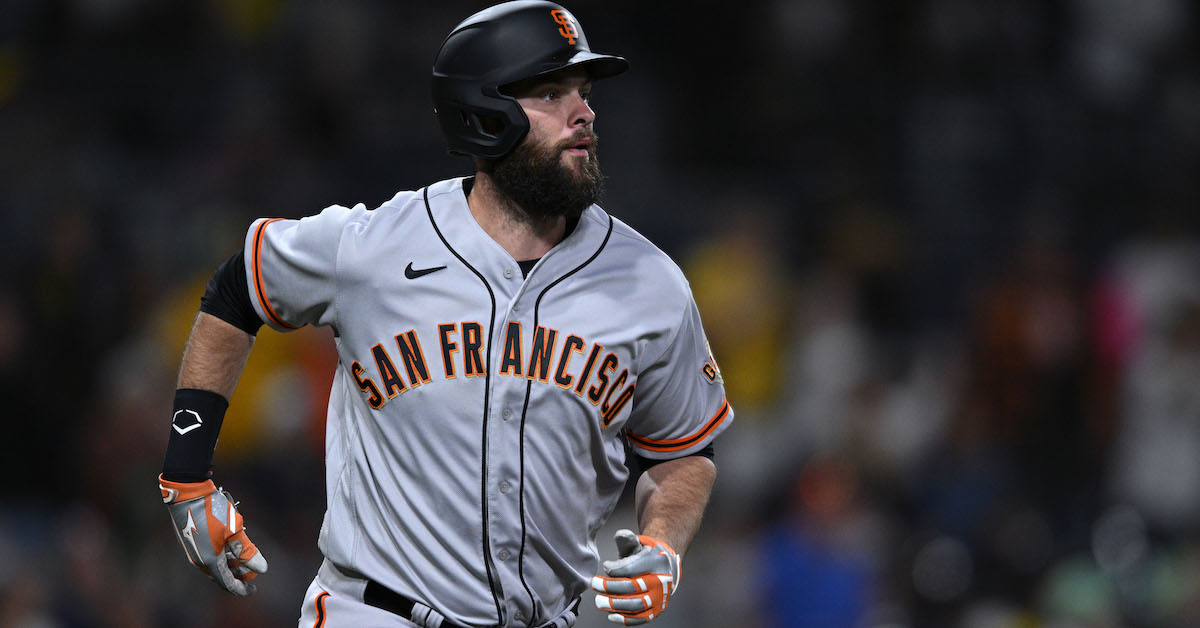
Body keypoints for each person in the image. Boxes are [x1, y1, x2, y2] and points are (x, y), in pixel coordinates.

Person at [156, 2, 733, 627]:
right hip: (376, 612)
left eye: (584, 92)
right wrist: (187, 477)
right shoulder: (376, 246)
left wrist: (663, 546)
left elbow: (681, 450)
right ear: (484, 112)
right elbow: (240, 284)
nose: (585, 113)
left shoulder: (649, 283)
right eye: (551, 92)